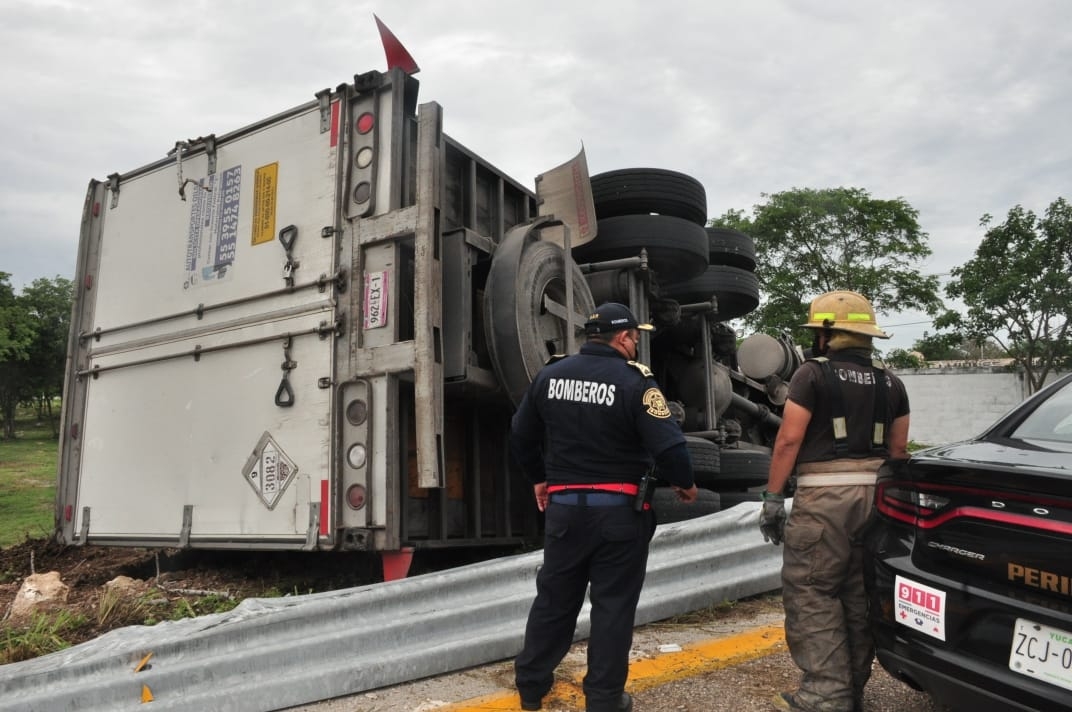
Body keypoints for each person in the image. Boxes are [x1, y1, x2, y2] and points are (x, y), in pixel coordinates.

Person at [511, 302, 698, 712]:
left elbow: (520, 435)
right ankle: (604, 698)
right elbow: (670, 446)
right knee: (612, 606)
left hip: (563, 510)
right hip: (618, 514)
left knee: (554, 599)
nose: (635, 345)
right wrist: (684, 484)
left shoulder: (550, 376)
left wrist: (540, 478)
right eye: (634, 337)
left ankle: (530, 686)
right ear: (622, 338)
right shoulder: (636, 383)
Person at [759, 291, 910, 712]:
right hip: (877, 499)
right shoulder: (891, 380)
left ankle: (825, 695)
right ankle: (851, 689)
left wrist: (773, 497)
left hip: (825, 499)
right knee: (858, 594)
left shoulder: (812, 374)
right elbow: (899, 452)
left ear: (828, 335)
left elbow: (788, 439)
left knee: (811, 590)